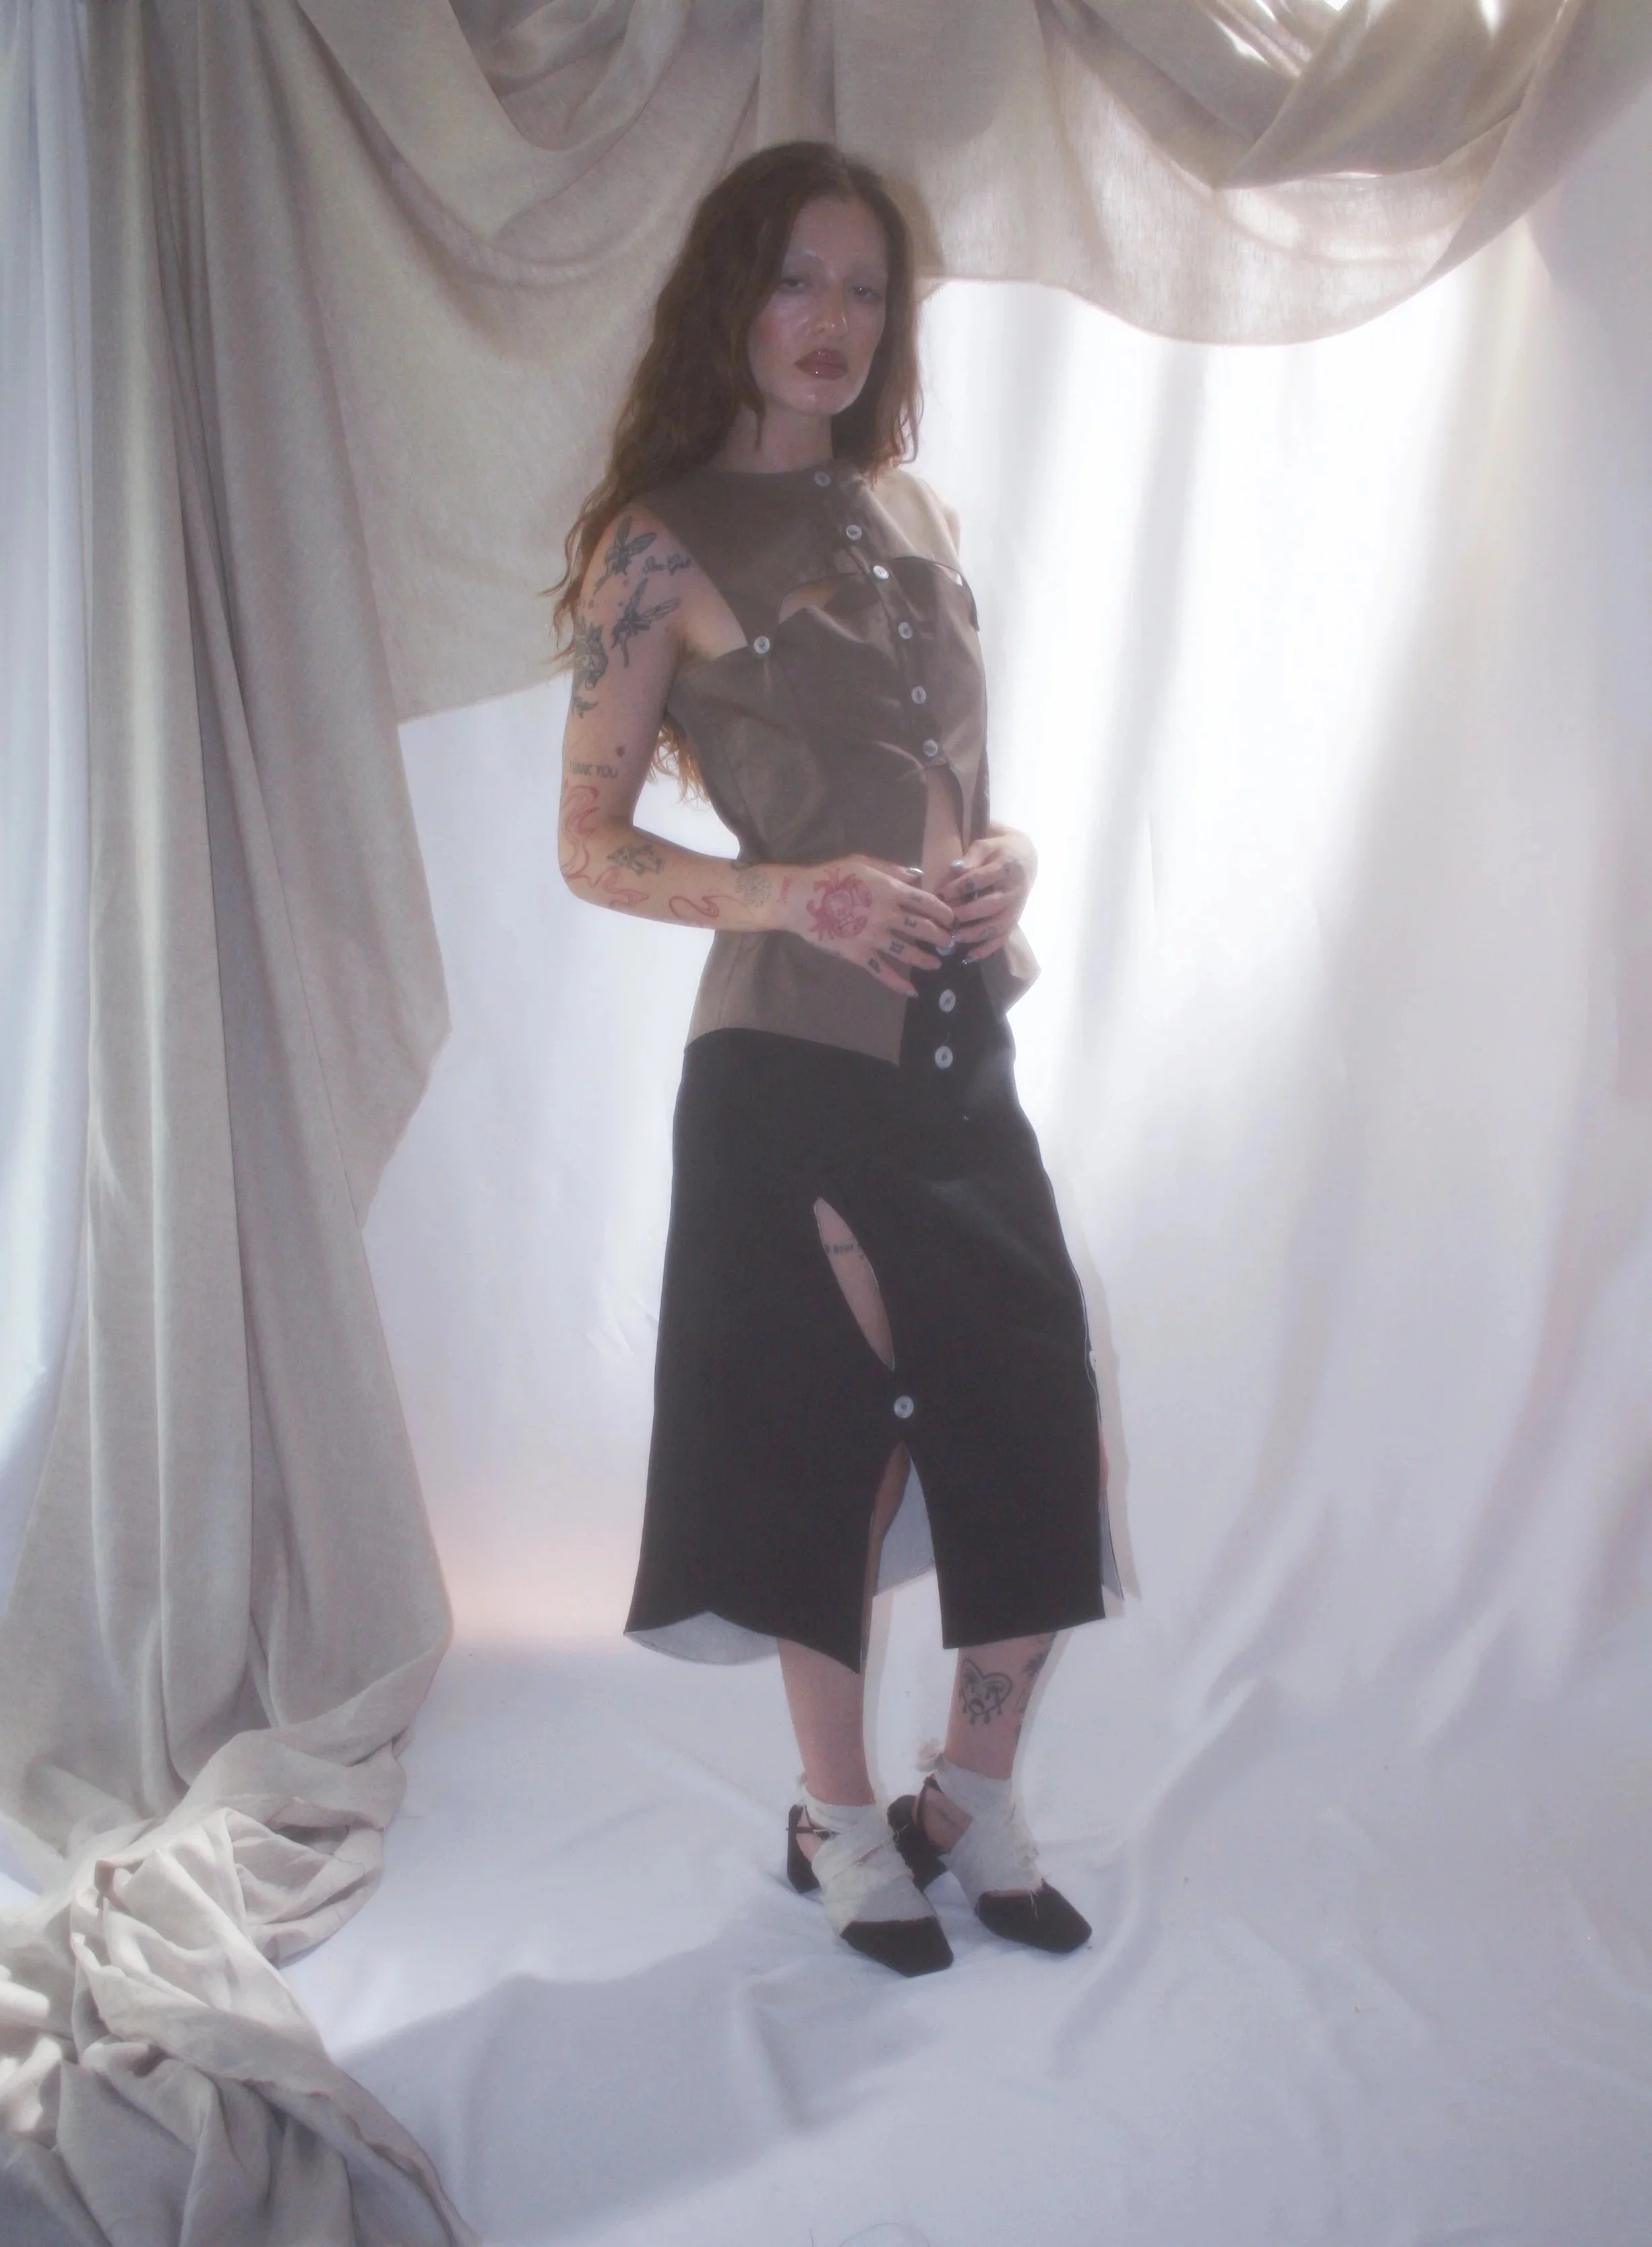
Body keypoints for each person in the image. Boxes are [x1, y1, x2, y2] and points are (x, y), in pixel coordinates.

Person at [553, 142, 1107, 1977]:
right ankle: (835, 1811)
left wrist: (1006, 855)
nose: (832, 320)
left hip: (957, 1044)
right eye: (797, 278)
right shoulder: (659, 543)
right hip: (786, 1066)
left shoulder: (917, 511)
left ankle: (972, 1794)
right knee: (830, 1453)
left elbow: (946, 780)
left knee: (1033, 1421)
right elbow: (587, 843)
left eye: (865, 289)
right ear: (734, 292)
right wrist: (787, 891)